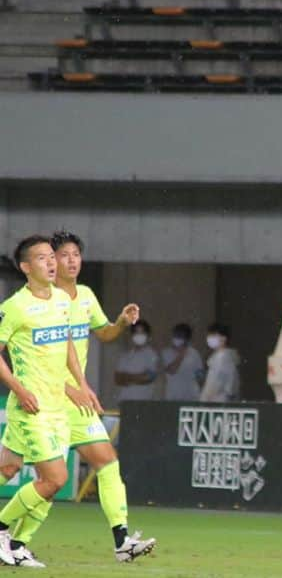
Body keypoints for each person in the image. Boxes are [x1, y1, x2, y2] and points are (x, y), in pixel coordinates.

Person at [0, 231, 156, 565]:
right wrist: (54, 388)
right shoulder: (20, 306)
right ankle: (10, 538)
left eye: (74, 255)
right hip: (42, 402)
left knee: (101, 463)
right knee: (26, 471)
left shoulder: (77, 297)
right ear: (35, 264)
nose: (67, 261)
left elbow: (95, 336)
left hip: (70, 403)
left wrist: (119, 325)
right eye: (59, 255)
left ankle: (120, 539)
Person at [0, 235, 95, 567]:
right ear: (26, 268)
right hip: (31, 407)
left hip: (59, 408)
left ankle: (19, 545)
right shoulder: (14, 307)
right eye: (42, 258)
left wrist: (82, 384)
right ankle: (2, 531)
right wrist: (20, 389)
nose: (52, 262)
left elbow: (67, 345)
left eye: (51, 257)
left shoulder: (61, 300)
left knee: (8, 468)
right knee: (55, 479)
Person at [114, 320, 161, 402]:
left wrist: (127, 377)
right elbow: (118, 379)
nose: (139, 335)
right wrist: (138, 377)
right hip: (124, 401)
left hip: (143, 402)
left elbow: (148, 378)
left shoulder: (152, 355)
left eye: (142, 333)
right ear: (132, 335)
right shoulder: (125, 356)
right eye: (136, 332)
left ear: (148, 336)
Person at [161, 323, 204, 402]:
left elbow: (200, 376)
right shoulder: (166, 353)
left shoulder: (195, 354)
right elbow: (171, 370)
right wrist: (182, 354)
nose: (176, 338)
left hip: (192, 397)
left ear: (186, 339)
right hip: (173, 397)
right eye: (175, 335)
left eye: (180, 336)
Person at [201, 323, 239, 403]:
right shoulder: (217, 357)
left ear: (224, 338)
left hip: (217, 402)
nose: (210, 338)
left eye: (214, 335)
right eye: (209, 335)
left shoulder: (222, 358)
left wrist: (204, 400)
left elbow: (214, 385)